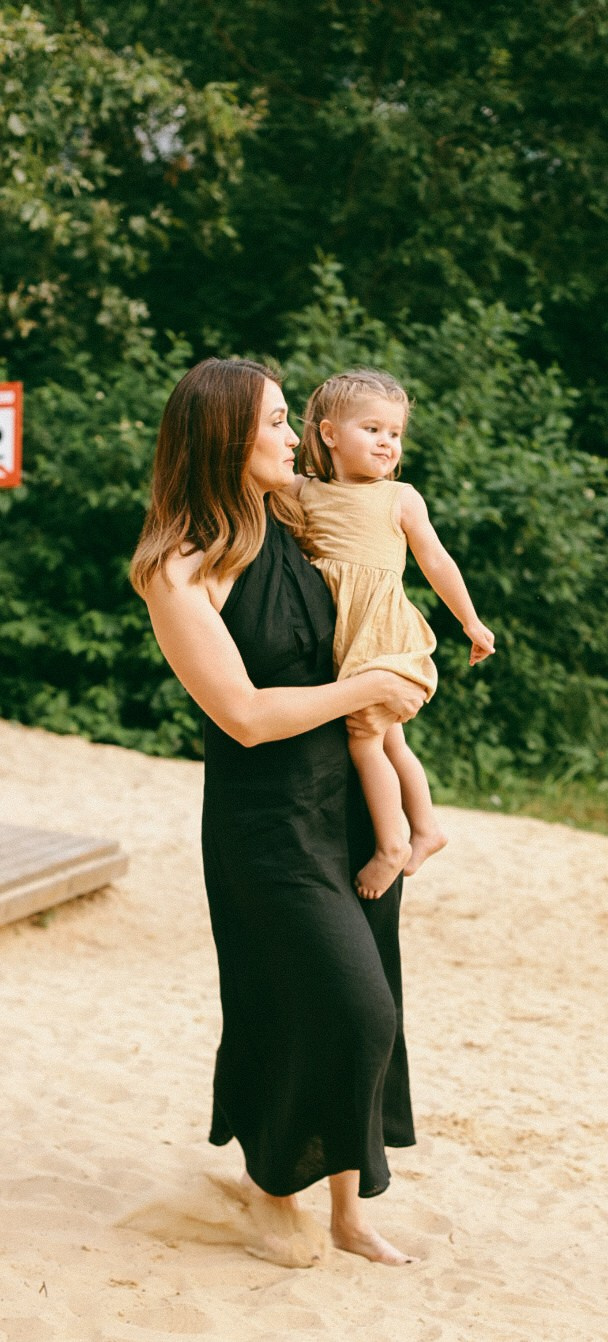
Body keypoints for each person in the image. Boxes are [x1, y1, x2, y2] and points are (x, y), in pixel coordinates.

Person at [129, 357, 428, 1266]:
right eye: (272, 423)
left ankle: (347, 1211)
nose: (294, 437)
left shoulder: (297, 526)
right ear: (224, 436)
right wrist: (371, 686)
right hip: (267, 826)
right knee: (345, 1009)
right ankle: (267, 1191)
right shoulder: (179, 572)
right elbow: (248, 717)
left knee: (367, 1004)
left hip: (342, 807)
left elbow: (389, 555)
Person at [294, 369, 495, 900]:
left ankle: (392, 844)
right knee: (390, 739)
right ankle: (428, 827)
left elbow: (436, 560)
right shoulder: (305, 493)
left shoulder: (401, 497)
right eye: (373, 430)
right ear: (329, 434)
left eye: (395, 433)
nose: (387, 443)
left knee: (364, 740)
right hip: (343, 637)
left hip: (380, 632)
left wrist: (470, 620)